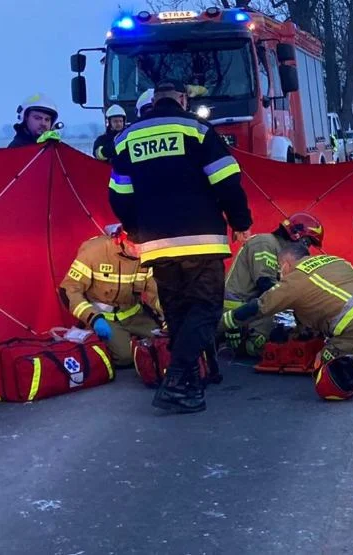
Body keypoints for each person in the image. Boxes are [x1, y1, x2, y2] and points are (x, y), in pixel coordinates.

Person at [108, 79, 252, 414]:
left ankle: (189, 383)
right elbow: (227, 181)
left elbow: (119, 195)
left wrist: (136, 229)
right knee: (206, 308)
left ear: (154, 101)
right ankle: (176, 380)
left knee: (178, 312)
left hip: (157, 245)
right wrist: (240, 222)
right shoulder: (197, 130)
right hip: (201, 239)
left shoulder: (127, 138)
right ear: (182, 100)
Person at [223, 245, 353, 402]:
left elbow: (260, 306)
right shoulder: (334, 259)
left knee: (326, 370)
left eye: (279, 268)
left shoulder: (294, 279)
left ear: (286, 264)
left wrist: (225, 322)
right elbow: (318, 302)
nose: (279, 273)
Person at [58, 224, 163, 366]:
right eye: (135, 246)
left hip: (135, 314)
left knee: (165, 344)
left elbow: (156, 293)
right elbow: (69, 290)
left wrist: (169, 317)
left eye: (144, 246)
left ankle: (133, 340)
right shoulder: (94, 251)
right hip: (103, 318)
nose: (140, 252)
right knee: (126, 357)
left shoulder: (148, 254)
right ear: (120, 239)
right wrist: (93, 318)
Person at [222, 213, 324, 357]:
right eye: (307, 242)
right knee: (261, 345)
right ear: (296, 235)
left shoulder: (282, 251)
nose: (306, 250)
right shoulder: (265, 243)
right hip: (239, 308)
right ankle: (238, 345)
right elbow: (265, 284)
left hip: (254, 304)